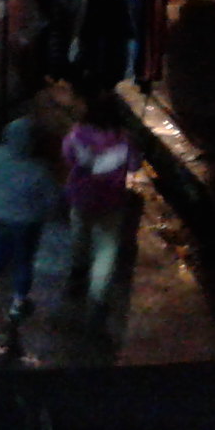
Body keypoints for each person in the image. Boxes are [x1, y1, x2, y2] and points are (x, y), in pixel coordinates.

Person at [0, 117, 59, 319]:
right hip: (27, 223)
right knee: (23, 262)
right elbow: (52, 198)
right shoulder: (40, 168)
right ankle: (18, 301)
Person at [62, 90, 138, 316]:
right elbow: (134, 165)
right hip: (112, 200)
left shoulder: (76, 135)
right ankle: (97, 296)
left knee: (79, 236)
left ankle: (76, 275)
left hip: (81, 196)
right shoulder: (124, 139)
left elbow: (67, 157)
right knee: (106, 249)